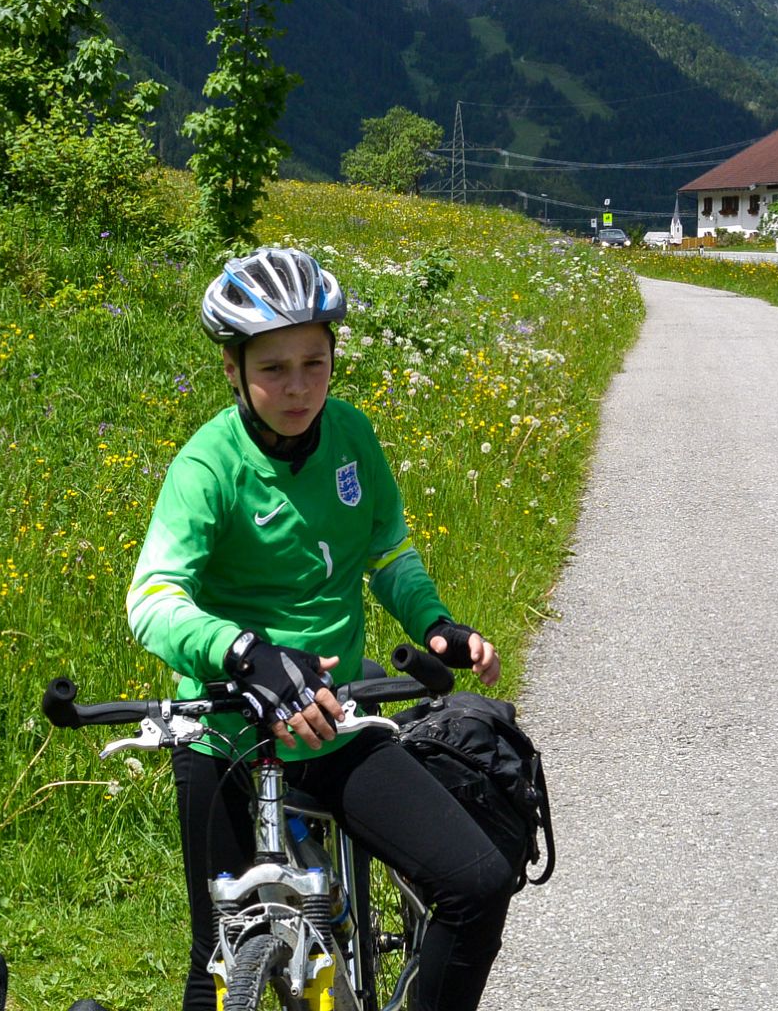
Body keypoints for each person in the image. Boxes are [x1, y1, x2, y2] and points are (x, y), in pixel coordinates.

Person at [126, 246, 514, 1011]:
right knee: (217, 956)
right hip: (229, 729)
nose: (297, 386)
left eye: (314, 362)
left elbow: (386, 548)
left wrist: (432, 620)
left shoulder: (351, 435)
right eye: (273, 368)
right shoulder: (207, 465)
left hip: (337, 717)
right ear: (233, 371)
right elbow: (154, 599)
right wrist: (243, 652)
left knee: (477, 883)